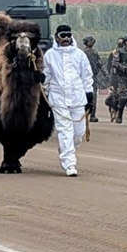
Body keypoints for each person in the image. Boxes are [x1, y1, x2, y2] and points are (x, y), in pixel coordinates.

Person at [43, 24, 93, 177]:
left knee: (78, 132)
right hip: (58, 99)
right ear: (57, 37)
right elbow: (47, 76)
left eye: (68, 35)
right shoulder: (50, 55)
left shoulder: (80, 55)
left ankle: (67, 148)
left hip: (78, 98)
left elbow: (86, 75)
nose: (65, 39)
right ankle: (69, 164)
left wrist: (89, 94)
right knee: (65, 130)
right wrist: (41, 79)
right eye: (62, 35)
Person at [81, 35, 102, 123]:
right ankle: (83, 114)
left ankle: (92, 115)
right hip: (83, 78)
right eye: (89, 41)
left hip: (94, 77)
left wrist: (105, 73)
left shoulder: (95, 53)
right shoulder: (82, 53)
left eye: (92, 41)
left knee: (94, 96)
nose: (91, 42)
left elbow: (100, 63)